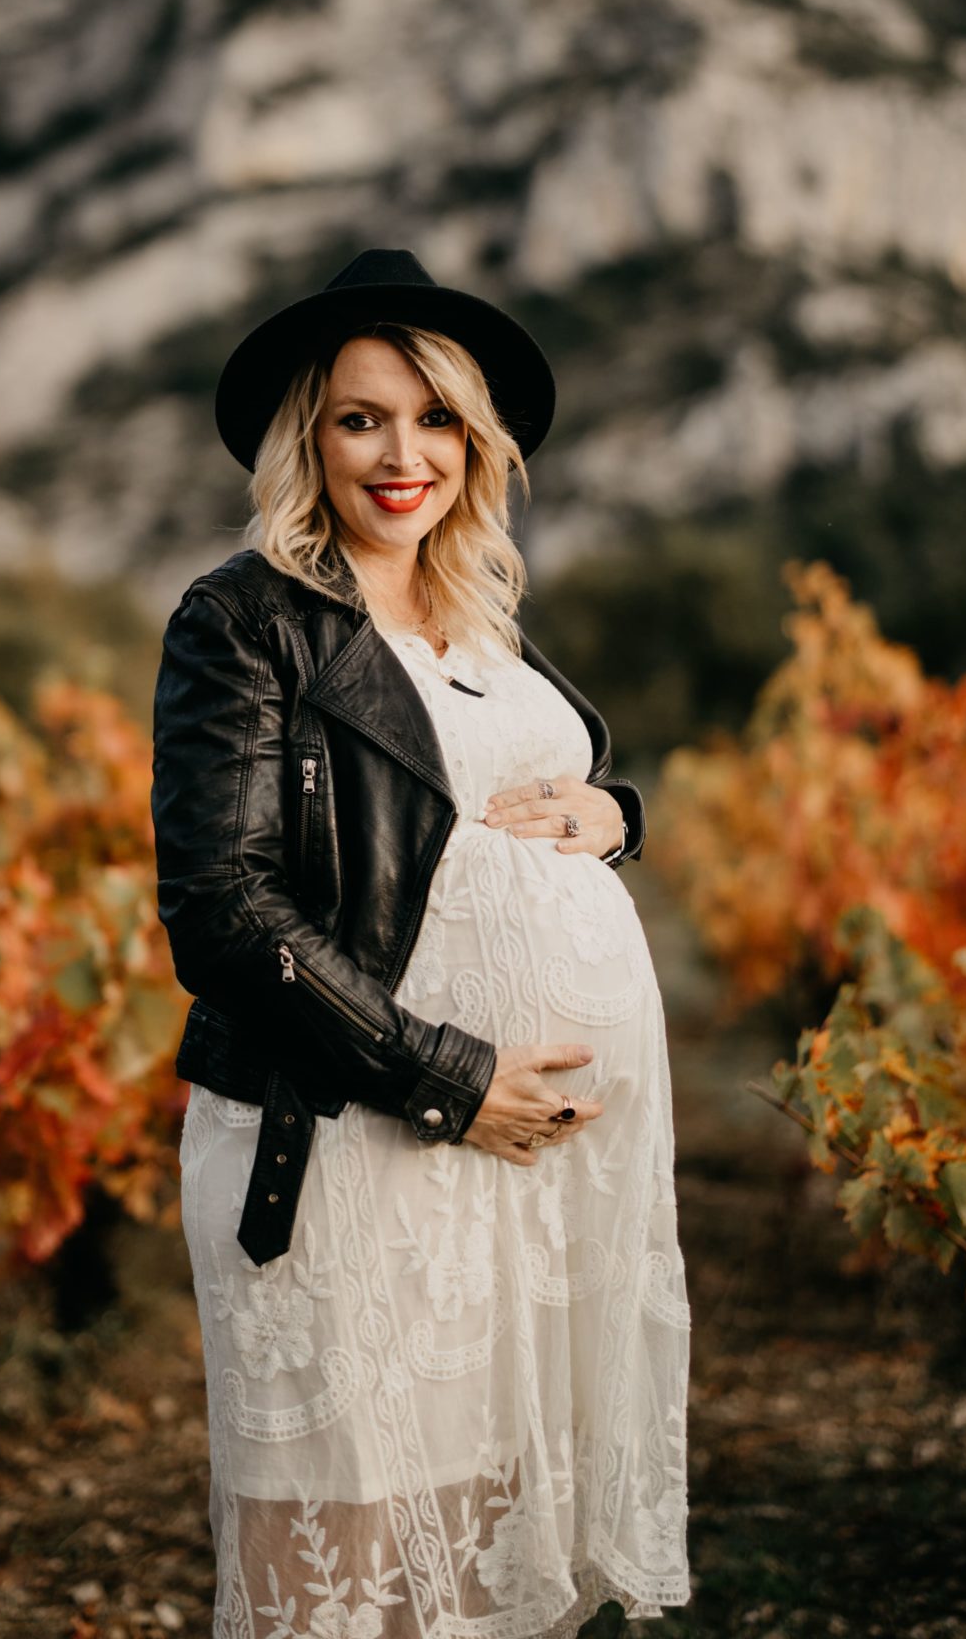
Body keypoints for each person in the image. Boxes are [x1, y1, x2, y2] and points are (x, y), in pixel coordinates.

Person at [151, 248, 693, 1638]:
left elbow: (520, 783)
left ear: (481, 438)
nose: (406, 455)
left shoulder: (483, 610)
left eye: (438, 418)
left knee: (471, 1539)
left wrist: (613, 815)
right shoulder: (244, 620)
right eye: (362, 418)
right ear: (306, 439)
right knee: (338, 1550)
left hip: (509, 1161)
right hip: (352, 1129)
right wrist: (450, 1075)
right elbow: (224, 908)